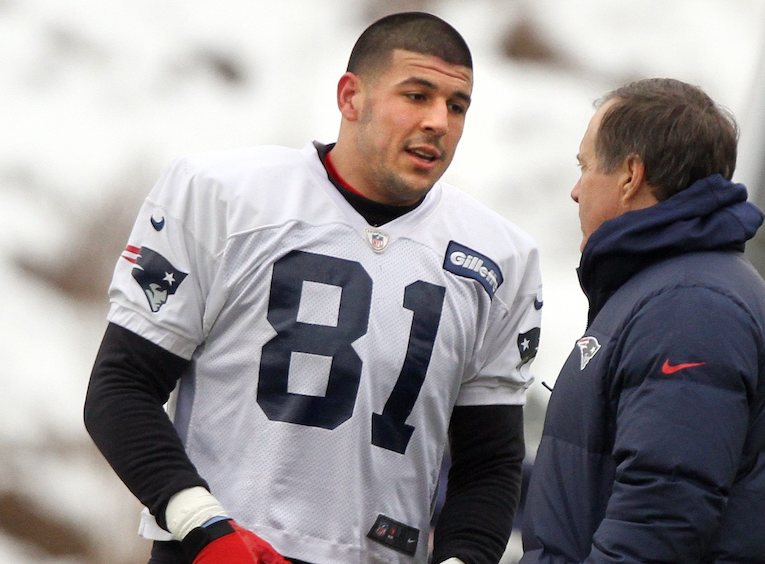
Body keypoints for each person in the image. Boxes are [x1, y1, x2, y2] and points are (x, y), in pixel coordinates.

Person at [84, 12, 542, 564]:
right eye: (417, 95)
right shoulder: (223, 195)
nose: (439, 122)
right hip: (224, 550)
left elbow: (489, 463)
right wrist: (200, 525)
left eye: (457, 105)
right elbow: (121, 386)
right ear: (351, 97)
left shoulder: (500, 257)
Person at [519, 78, 765, 564]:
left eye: (584, 167)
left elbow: (660, 517)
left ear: (630, 175)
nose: (574, 190)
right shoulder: (670, 289)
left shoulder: (690, 306)